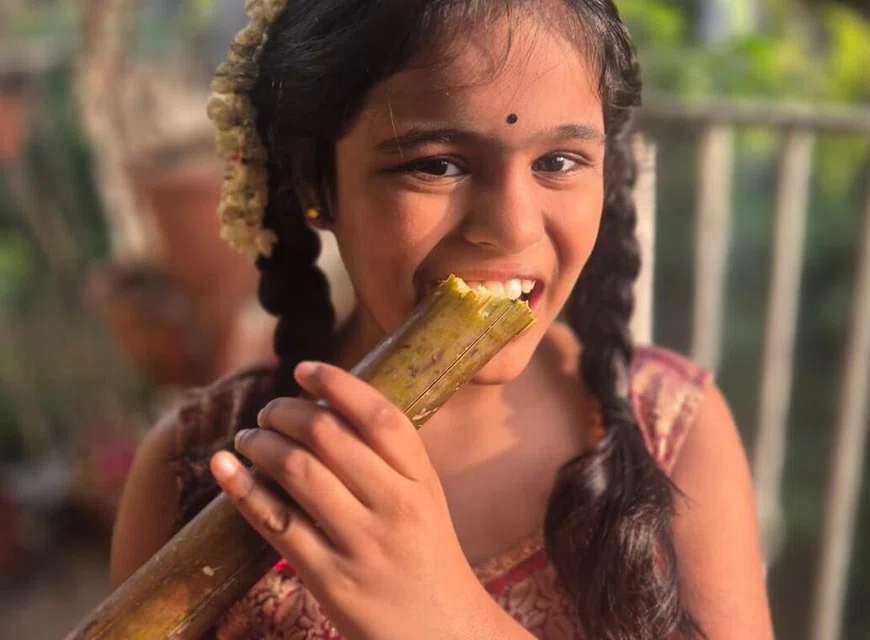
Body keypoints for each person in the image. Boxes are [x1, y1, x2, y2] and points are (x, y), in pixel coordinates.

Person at [109, 1, 773, 638]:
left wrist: (441, 616)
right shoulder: (199, 473)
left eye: (558, 162)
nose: (511, 227)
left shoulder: (672, 434)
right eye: (438, 165)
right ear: (315, 182)